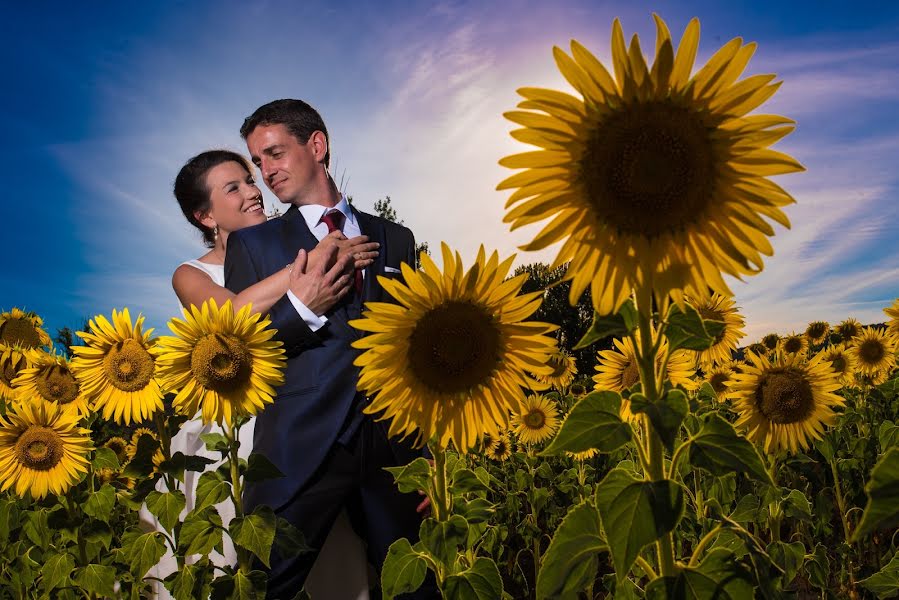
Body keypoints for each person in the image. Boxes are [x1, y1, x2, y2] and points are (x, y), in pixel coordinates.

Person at [225, 99, 434, 599]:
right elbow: (239, 356)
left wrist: (428, 450)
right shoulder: (255, 246)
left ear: (316, 145)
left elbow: (413, 349)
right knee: (261, 587)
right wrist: (302, 306)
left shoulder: (396, 238)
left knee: (416, 587)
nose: (266, 171)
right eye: (257, 162)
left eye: (273, 153)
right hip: (299, 449)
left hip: (392, 448)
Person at [151, 149, 376, 599]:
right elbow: (231, 312)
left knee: (331, 566)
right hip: (232, 437)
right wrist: (313, 261)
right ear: (204, 215)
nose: (254, 192)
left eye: (250, 181)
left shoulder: (288, 248)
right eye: (233, 188)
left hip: (307, 418)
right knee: (240, 567)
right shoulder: (191, 274)